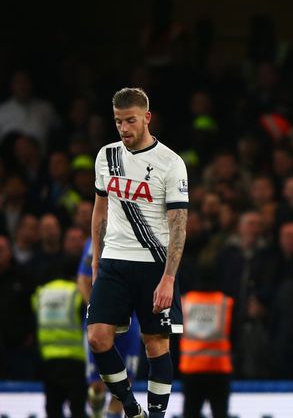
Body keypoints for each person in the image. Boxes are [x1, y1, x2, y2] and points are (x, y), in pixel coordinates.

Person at [86, 88, 189, 418]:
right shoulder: (107, 156)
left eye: (130, 121)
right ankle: (132, 410)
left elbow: (178, 226)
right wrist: (95, 259)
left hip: (154, 265)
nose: (124, 129)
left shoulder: (170, 163)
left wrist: (169, 278)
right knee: (98, 338)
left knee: (156, 345)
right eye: (118, 122)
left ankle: (155, 416)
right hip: (114, 262)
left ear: (147, 117)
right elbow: (100, 211)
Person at [76, 238, 142, 418]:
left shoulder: (138, 237)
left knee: (123, 386)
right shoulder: (95, 242)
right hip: (101, 322)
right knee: (96, 386)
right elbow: (82, 279)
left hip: (129, 322)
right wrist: (100, 311)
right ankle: (97, 410)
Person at [32, 261, 87, 418]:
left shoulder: (40, 293)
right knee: (77, 408)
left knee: (53, 408)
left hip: (49, 360)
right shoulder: (76, 292)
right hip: (75, 359)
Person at [179, 271, 234, 418]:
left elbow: (175, 336)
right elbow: (235, 335)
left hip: (191, 369)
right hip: (219, 369)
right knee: (220, 413)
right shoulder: (225, 302)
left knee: (190, 413)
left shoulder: (185, 302)